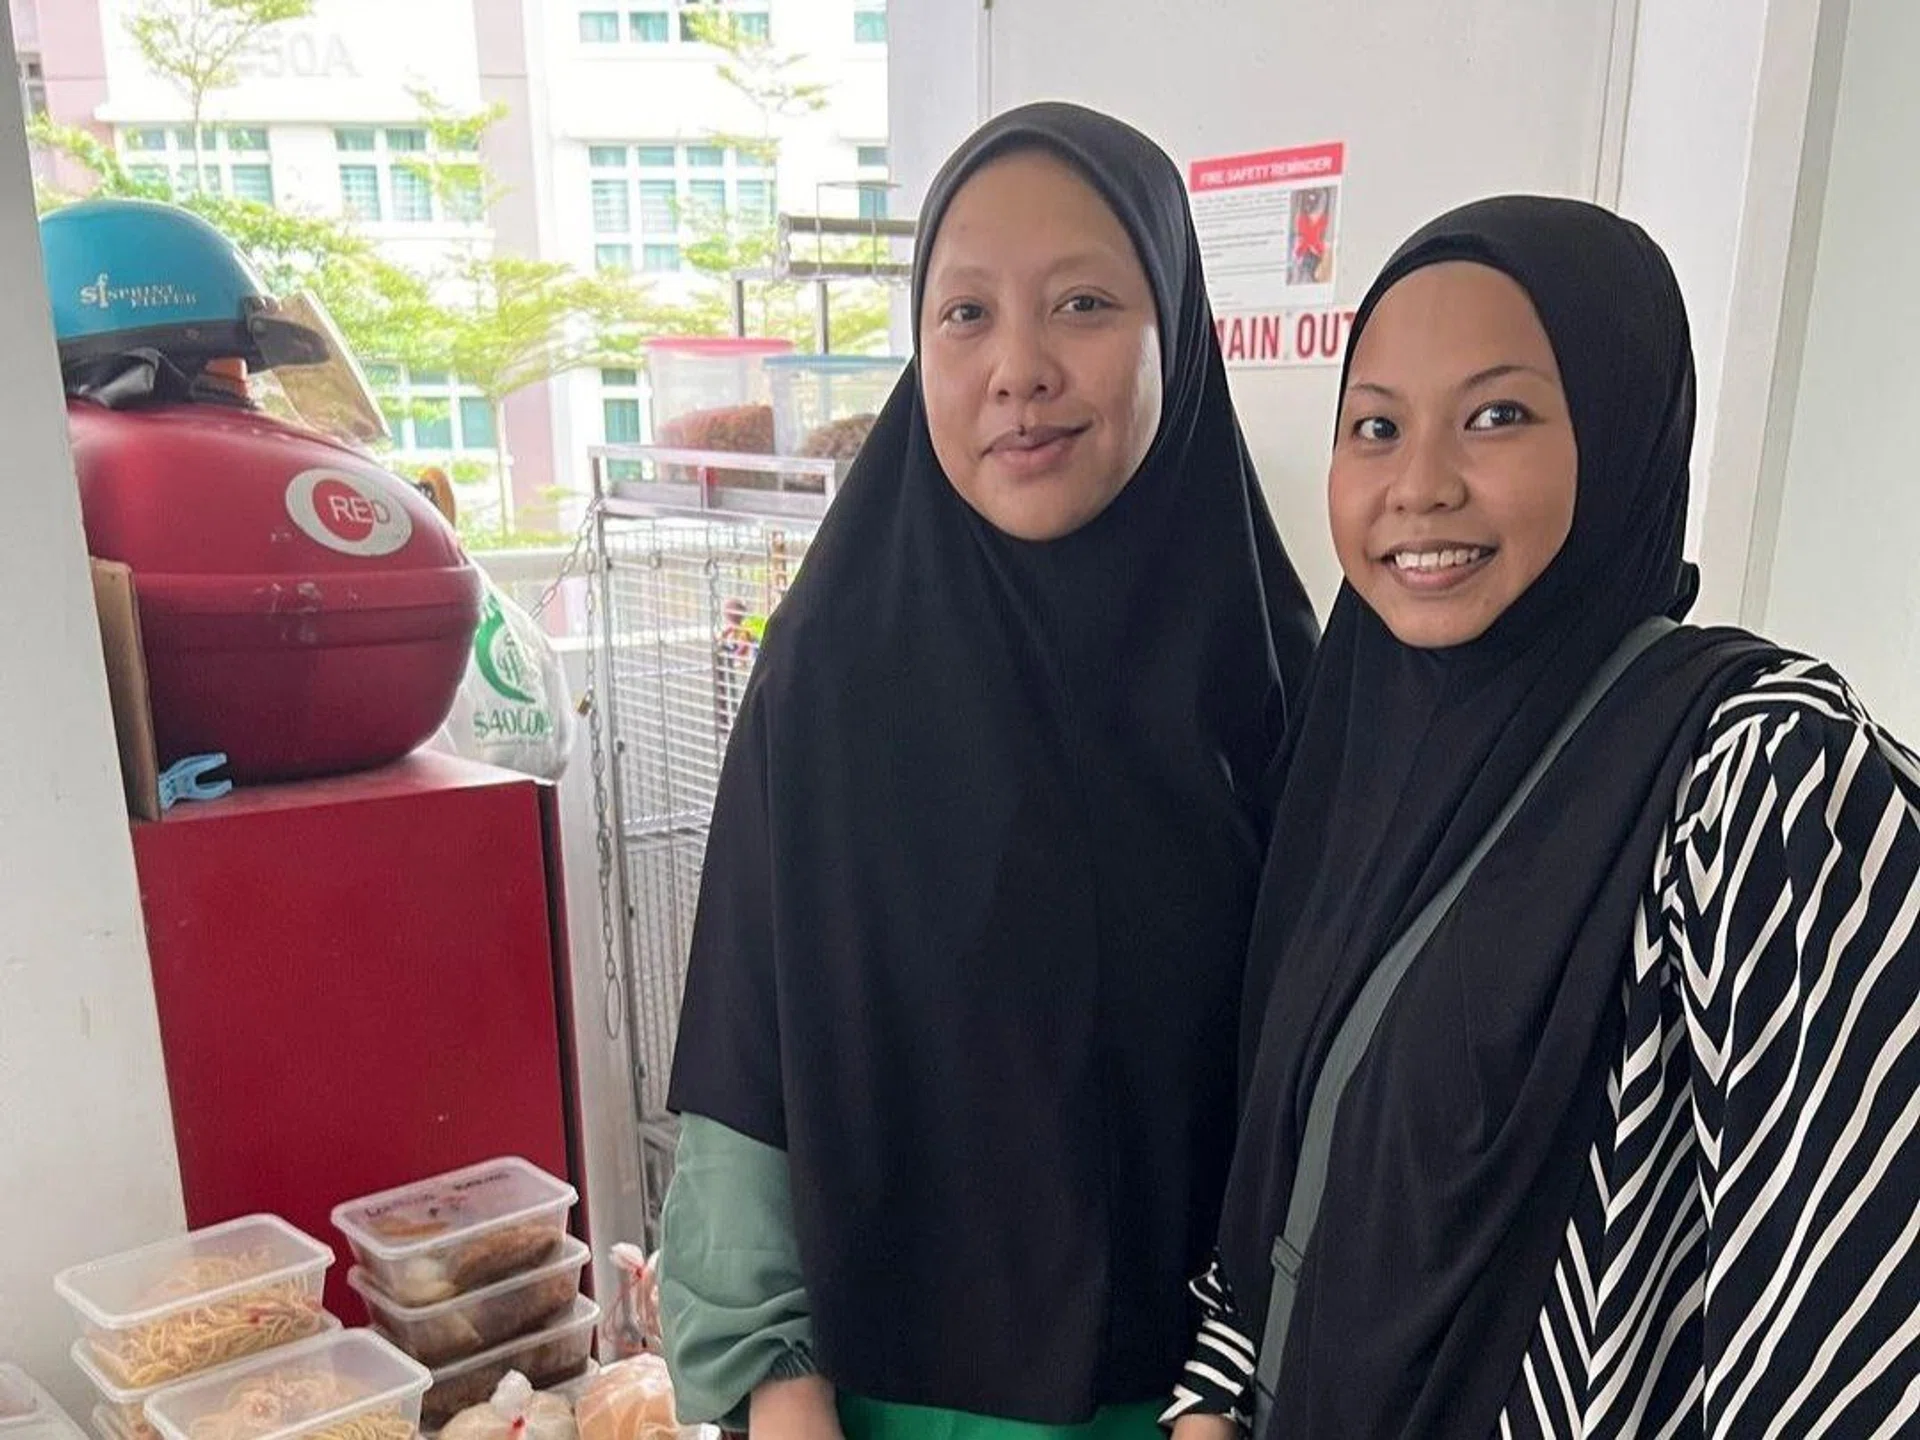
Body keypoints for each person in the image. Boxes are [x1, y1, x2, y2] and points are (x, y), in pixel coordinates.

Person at [1166, 196, 1920, 1438]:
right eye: (1376, 426)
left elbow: (1846, 1352)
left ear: (1621, 429)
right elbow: (1284, 1199)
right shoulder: (1356, 750)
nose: (1420, 485)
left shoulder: (1765, 779)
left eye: (1498, 415)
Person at [658, 102, 1319, 1440]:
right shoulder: (833, 676)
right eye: (965, 315)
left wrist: (1229, 1399)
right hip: (892, 1403)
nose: (1016, 368)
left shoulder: (1275, 683)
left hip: (1207, 1400)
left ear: (1176, 330)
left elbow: (1321, 1079)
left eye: (1081, 302)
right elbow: (745, 1063)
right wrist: (780, 1401)